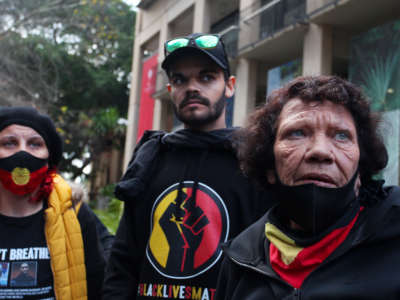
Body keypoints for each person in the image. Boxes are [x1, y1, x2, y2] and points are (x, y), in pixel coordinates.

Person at [103, 33, 275, 299]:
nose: (192, 87)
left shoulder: (254, 161)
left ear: (229, 86)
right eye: (180, 80)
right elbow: (124, 258)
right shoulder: (151, 159)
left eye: (206, 77)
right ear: (171, 91)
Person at [216, 75, 400, 299]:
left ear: (360, 171)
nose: (320, 151)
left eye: (341, 136)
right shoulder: (239, 257)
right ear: (270, 166)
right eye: (297, 133)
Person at [0, 106, 105, 300]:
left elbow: (100, 283)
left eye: (34, 144)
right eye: (9, 143)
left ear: (49, 159)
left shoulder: (73, 213)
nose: (22, 153)